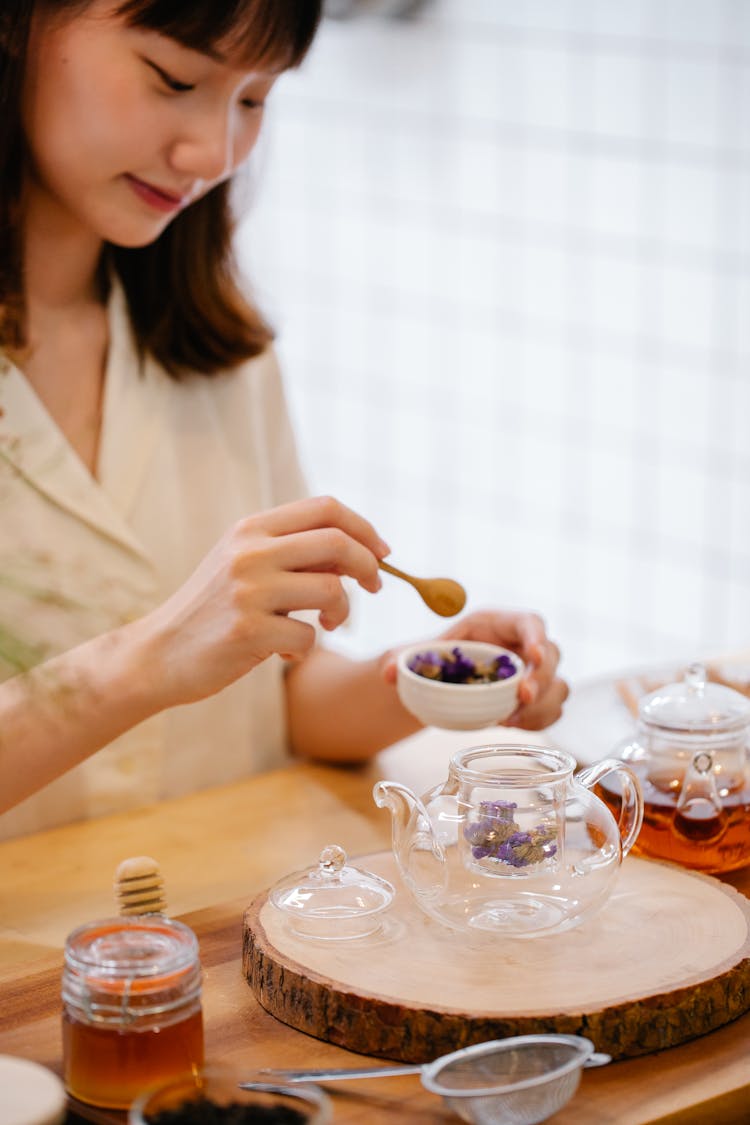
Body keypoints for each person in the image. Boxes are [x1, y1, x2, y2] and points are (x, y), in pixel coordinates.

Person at [0, 0, 568, 839]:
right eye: (176, 78)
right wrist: (147, 662)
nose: (214, 153)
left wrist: (427, 676)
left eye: (254, 99)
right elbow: (176, 660)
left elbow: (279, 693)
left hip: (226, 934)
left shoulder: (220, 352)